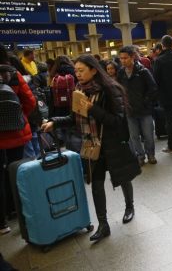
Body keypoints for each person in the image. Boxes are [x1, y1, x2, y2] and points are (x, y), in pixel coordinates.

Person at [41, 54, 141, 242]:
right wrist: (54, 122)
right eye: (76, 70)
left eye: (81, 70)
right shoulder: (79, 90)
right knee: (96, 184)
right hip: (91, 144)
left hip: (112, 143)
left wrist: (92, 109)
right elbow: (74, 118)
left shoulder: (111, 90)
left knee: (123, 177)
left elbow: (117, 121)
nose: (77, 74)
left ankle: (130, 206)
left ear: (94, 70)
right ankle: (103, 225)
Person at [0, 44, 36, 235]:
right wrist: (20, 116)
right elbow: (30, 101)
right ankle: (19, 210)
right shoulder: (12, 74)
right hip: (15, 132)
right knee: (16, 171)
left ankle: (1, 222)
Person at [117, 46, 158, 165]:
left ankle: (151, 154)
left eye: (125, 58)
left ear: (132, 57)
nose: (123, 61)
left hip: (144, 110)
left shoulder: (143, 71)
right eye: (121, 58)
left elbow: (153, 88)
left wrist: (146, 101)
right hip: (129, 110)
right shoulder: (121, 73)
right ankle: (140, 155)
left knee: (148, 135)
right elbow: (118, 90)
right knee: (134, 136)